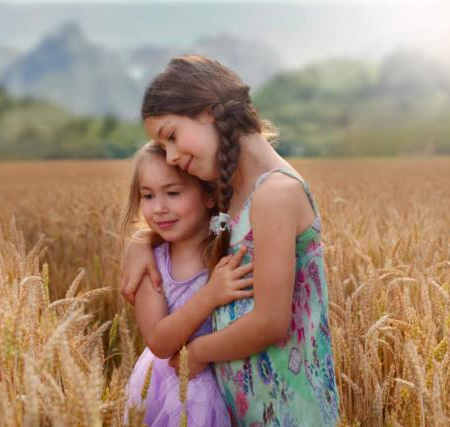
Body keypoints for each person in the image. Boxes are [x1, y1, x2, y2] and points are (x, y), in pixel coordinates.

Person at [121, 55, 339, 426]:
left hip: (288, 407)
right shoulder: (232, 191)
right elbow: (185, 228)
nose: (172, 156)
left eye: (171, 136)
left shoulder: (274, 193)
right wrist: (142, 241)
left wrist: (197, 353)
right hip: (245, 402)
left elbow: (271, 321)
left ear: (208, 111)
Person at [123, 141, 254, 426]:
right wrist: (210, 295)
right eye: (147, 196)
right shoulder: (152, 266)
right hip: (175, 389)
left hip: (231, 382)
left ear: (209, 195)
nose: (158, 208)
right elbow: (159, 342)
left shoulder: (231, 245)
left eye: (172, 193)